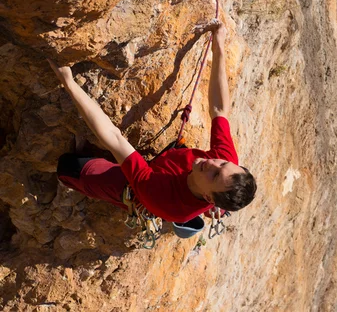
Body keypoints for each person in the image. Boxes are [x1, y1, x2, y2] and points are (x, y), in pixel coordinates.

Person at [50, 19, 256, 234]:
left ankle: (81, 175)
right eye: (222, 164)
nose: (212, 163)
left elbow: (114, 138)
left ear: (207, 198)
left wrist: (70, 84)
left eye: (214, 175)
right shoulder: (227, 163)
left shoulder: (165, 199)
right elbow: (219, 109)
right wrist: (219, 43)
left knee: (69, 167)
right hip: (168, 171)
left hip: (141, 190)